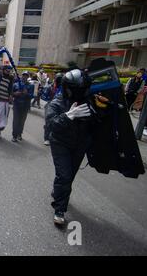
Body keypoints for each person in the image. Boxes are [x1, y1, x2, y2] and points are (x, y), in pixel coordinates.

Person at [45, 69, 94, 225]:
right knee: (64, 176)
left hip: (80, 144)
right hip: (60, 143)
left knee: (69, 176)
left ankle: (58, 192)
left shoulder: (90, 99)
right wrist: (67, 116)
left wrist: (101, 110)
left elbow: (96, 123)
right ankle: (59, 208)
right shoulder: (57, 102)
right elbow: (51, 124)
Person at [11, 71, 34, 142]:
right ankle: (14, 135)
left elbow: (32, 96)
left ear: (28, 77)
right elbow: (11, 93)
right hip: (17, 105)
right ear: (21, 76)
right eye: (23, 75)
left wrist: (27, 93)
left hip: (25, 106)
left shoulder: (31, 85)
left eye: (26, 75)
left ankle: (19, 134)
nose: (24, 77)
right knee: (15, 121)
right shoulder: (15, 84)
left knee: (22, 121)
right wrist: (15, 93)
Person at [43, 73, 64, 146]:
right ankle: (46, 138)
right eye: (58, 79)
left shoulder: (64, 87)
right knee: (48, 122)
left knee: (59, 122)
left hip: (61, 106)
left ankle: (55, 137)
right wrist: (50, 98)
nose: (60, 81)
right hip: (50, 105)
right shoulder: (51, 87)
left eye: (61, 79)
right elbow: (44, 95)